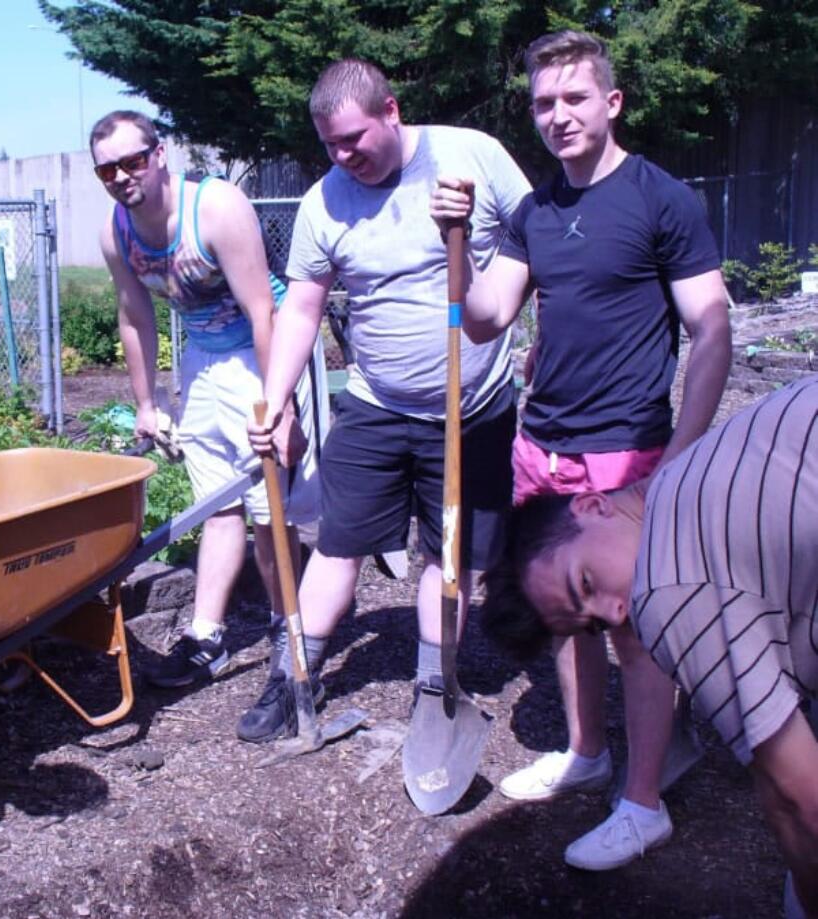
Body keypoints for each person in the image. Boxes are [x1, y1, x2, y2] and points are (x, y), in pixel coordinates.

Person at [431, 29, 732, 869]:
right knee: (565, 610)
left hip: (626, 453)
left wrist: (681, 455)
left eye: (572, 98)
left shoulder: (661, 200)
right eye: (541, 103)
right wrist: (453, 243)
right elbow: (485, 315)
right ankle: (585, 751)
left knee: (636, 628)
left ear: (611, 102)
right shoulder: (536, 212)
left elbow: (713, 329)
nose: (557, 116)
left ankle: (643, 804)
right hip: (543, 444)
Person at [242, 59, 530, 742]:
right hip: (376, 403)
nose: (345, 157)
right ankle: (295, 676)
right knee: (337, 545)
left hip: (473, 404)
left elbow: (532, 240)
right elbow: (304, 308)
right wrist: (276, 399)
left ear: (391, 111)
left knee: (448, 554)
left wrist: (540, 331)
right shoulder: (324, 201)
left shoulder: (473, 156)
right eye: (330, 146)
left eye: (354, 139)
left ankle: (436, 686)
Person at [483, 373, 818, 918]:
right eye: (592, 626)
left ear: (591, 505)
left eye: (585, 584)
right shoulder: (688, 471)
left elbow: (799, 800)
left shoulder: (666, 589)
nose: (616, 615)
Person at [91, 111, 320, 689]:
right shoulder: (115, 231)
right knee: (216, 504)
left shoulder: (215, 207)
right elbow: (134, 314)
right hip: (202, 360)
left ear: (159, 154)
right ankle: (206, 636)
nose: (122, 176)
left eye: (132, 160)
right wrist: (146, 402)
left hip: (261, 356)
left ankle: (287, 629)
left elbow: (264, 310)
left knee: (269, 510)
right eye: (107, 169)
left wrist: (282, 404)